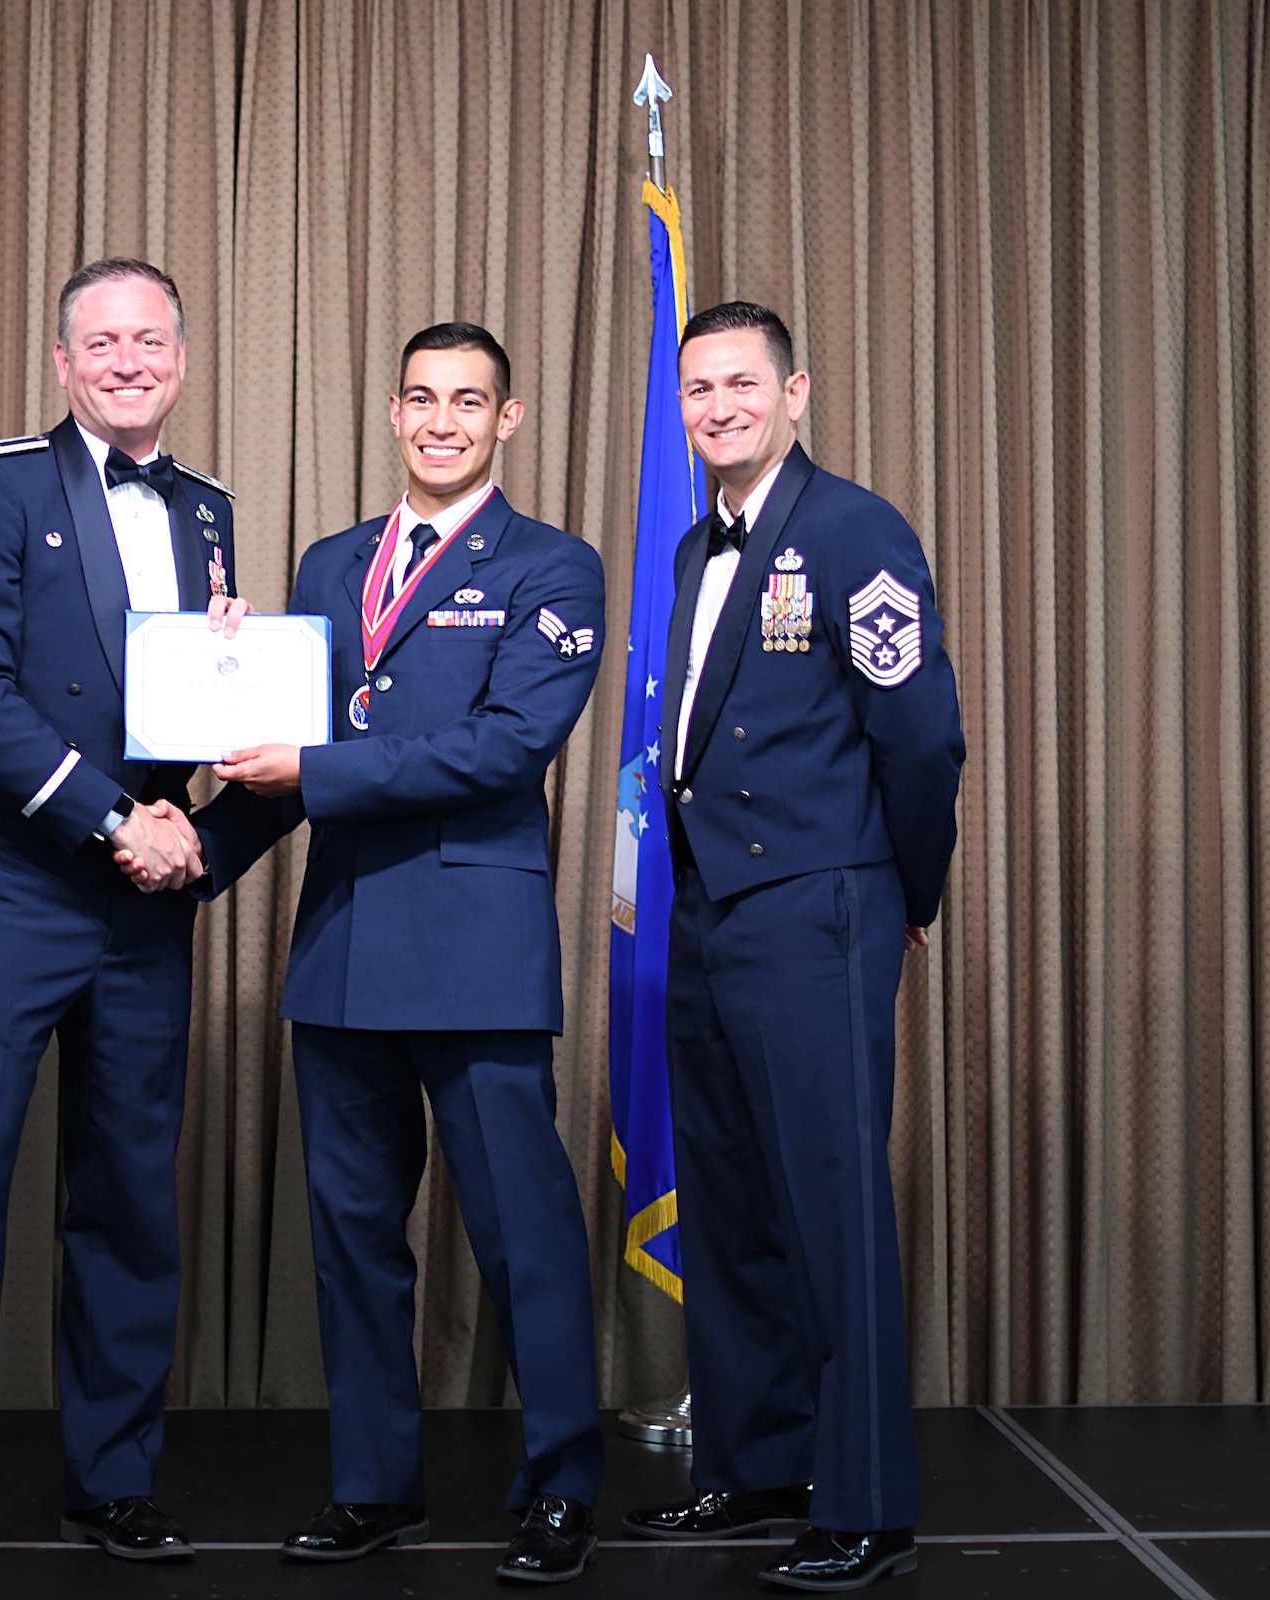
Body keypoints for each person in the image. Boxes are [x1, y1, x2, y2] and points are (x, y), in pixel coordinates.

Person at [143, 323, 609, 1585]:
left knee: (523, 1234)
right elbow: (286, 761)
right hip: (344, 947)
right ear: (392, 412)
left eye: (469, 401)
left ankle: (563, 1481)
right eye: (420, 398)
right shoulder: (330, 563)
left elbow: (502, 750)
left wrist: (311, 766)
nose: (441, 420)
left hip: (475, 948)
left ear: (507, 420)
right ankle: (373, 1487)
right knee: (352, 1238)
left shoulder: (553, 570)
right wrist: (183, 853)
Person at [0, 258, 249, 1594]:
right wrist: (113, 818)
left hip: (145, 905)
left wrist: (222, 724)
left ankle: (117, 1479)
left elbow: (184, 706)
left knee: (132, 1199)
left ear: (182, 359)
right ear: (62, 358)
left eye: (151, 339)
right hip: (23, 891)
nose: (129, 359)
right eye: (104, 340)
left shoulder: (208, 510)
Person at [621, 302, 965, 1592]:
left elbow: (920, 738)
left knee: (827, 1205)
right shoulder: (690, 550)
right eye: (697, 388)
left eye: (741, 384)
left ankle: (866, 1504)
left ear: (795, 391)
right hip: (710, 916)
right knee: (729, 1202)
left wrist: (904, 890)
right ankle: (755, 1463)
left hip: (818, 908)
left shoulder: (851, 529)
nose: (717, 406)